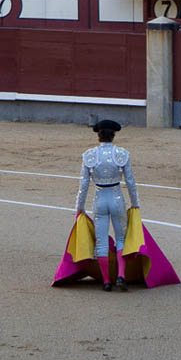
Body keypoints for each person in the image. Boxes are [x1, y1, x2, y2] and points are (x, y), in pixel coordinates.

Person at [72, 120, 139, 292]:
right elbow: (130, 182)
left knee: (101, 242)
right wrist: (135, 204)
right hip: (117, 198)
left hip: (99, 199)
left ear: (98, 135)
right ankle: (121, 276)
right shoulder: (122, 154)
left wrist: (79, 207)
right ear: (113, 135)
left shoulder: (89, 155)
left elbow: (84, 185)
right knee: (121, 239)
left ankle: (107, 281)